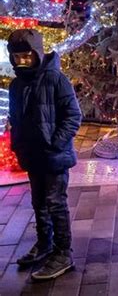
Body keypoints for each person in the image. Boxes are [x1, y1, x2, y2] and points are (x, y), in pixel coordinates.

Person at [7, 29, 81, 280]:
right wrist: (17, 143)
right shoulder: (18, 84)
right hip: (31, 155)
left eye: (27, 56)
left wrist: (55, 143)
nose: (22, 62)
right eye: (17, 58)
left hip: (53, 156)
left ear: (37, 53)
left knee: (55, 203)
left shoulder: (56, 80)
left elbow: (73, 116)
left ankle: (63, 252)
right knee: (39, 203)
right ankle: (45, 244)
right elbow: (16, 117)